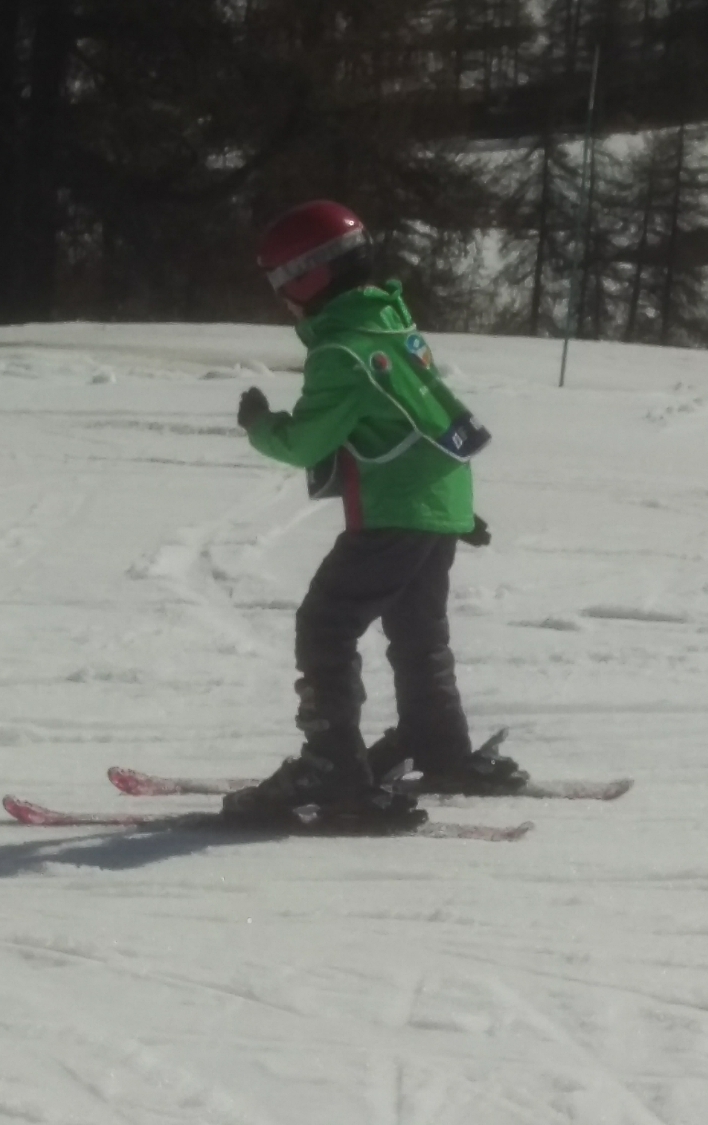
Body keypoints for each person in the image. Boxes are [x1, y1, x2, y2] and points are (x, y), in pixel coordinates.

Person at [223, 200, 527, 825]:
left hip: (398, 514)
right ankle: (438, 742)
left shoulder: (341, 350)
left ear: (307, 279)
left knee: (325, 625)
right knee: (418, 629)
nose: (283, 303)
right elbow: (429, 419)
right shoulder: (393, 328)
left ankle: (332, 768)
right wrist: (452, 512)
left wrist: (260, 425)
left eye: (282, 287)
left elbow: (305, 442)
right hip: (436, 504)